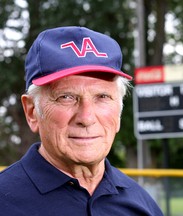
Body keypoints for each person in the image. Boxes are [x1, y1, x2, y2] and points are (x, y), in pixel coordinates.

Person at [0, 26, 164, 216]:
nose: (86, 118)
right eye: (66, 97)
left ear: (119, 111)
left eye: (102, 97)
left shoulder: (141, 205)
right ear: (32, 111)